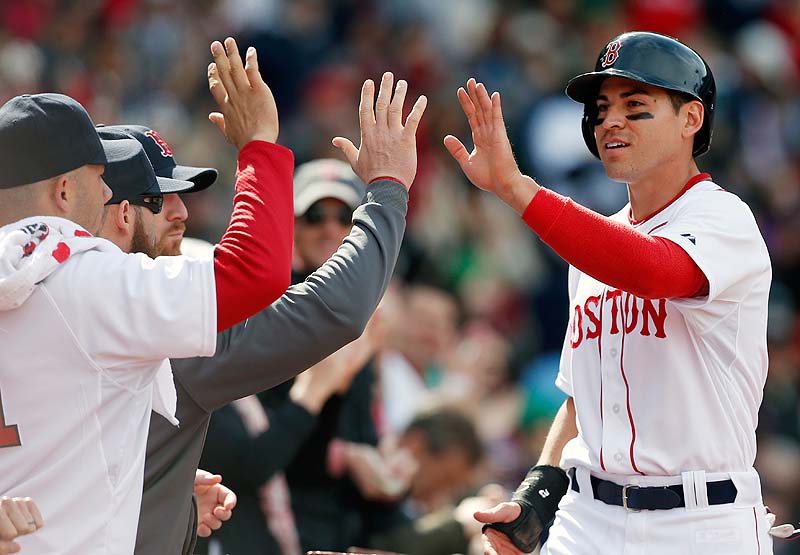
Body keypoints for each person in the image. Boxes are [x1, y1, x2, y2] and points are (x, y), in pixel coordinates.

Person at [444, 31, 775, 554]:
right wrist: (537, 495)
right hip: (587, 520)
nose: (610, 121)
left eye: (635, 104)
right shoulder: (597, 246)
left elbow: (654, 270)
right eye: (601, 109)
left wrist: (515, 187)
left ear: (691, 118)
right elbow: (582, 398)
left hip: (698, 522)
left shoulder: (723, 218)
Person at [93, 71, 426, 555]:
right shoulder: (150, 325)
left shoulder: (35, 293)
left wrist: (167, 503)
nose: (181, 212)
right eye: (157, 199)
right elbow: (332, 307)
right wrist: (388, 187)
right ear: (117, 213)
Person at [0, 36, 294, 554]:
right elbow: (255, 273)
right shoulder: (85, 281)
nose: (111, 193)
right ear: (65, 192)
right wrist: (260, 145)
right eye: (100, 179)